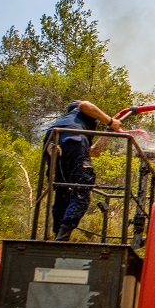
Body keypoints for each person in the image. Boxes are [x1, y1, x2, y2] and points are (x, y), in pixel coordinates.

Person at [44, 100, 122, 241]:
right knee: (82, 190)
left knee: (63, 193)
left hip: (52, 144)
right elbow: (85, 105)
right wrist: (110, 121)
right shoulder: (79, 111)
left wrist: (110, 130)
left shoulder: (68, 125)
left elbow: (94, 152)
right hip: (73, 140)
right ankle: (63, 236)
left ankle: (58, 235)